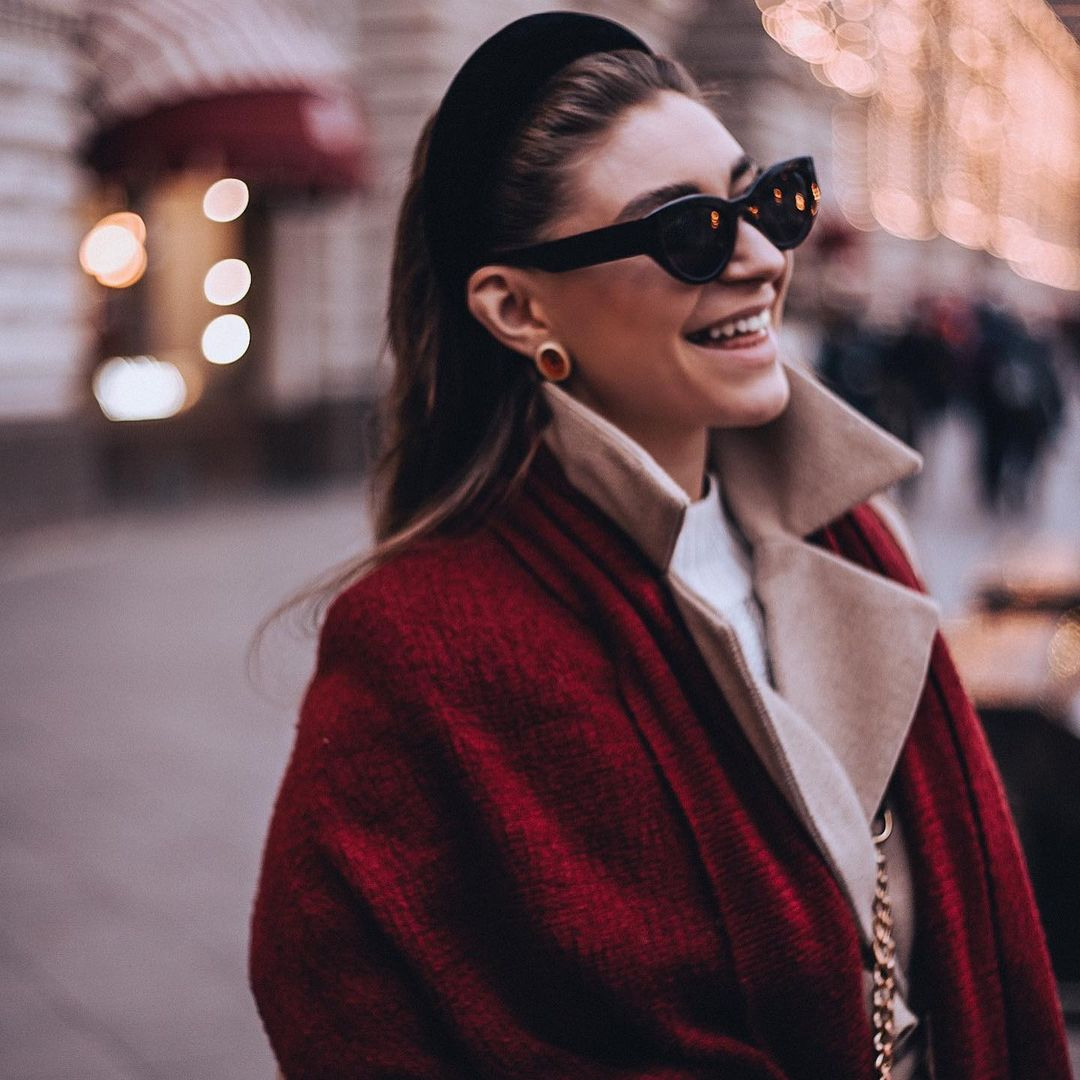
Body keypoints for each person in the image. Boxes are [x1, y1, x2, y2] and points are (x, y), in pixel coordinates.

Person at [248, 13, 1070, 1080]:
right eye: (689, 232)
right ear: (515, 305)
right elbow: (345, 1016)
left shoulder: (854, 533)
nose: (765, 258)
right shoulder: (420, 645)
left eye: (767, 200)